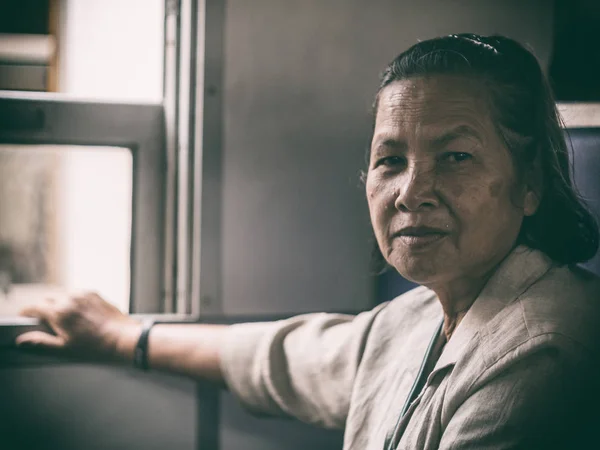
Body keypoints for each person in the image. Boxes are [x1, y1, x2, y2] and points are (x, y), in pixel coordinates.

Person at [16, 34, 600, 449]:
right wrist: (122, 337)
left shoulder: (542, 351)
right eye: (390, 160)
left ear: (531, 185)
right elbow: (288, 359)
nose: (411, 192)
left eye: (456, 157)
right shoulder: (420, 317)